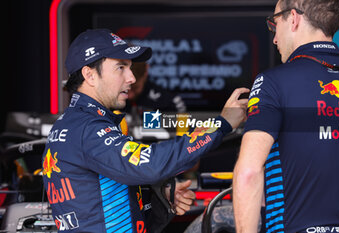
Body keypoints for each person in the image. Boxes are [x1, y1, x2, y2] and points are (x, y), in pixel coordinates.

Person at [42, 28, 249, 233]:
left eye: (130, 68)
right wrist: (220, 125)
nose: (131, 77)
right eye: (120, 67)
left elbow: (107, 201)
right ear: (90, 75)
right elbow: (149, 164)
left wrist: (159, 198)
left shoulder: (77, 123)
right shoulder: (87, 128)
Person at [232, 0, 339, 233]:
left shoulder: (272, 83)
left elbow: (248, 172)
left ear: (293, 18)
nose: (274, 38)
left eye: (275, 24)